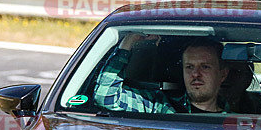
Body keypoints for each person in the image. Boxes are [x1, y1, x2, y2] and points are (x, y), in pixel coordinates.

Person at [94, 34, 230, 113]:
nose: (195, 74)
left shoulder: (237, 122)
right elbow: (106, 97)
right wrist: (128, 43)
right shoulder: (158, 105)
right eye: (189, 67)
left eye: (205, 67)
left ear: (223, 75)